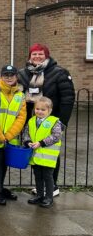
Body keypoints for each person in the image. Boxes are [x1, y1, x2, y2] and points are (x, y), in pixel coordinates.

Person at [17, 43, 75, 197]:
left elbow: (67, 99)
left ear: (47, 56)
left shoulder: (60, 73)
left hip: (52, 121)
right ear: (30, 56)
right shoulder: (23, 73)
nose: (37, 57)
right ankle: (41, 187)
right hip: (32, 123)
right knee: (37, 154)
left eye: (40, 54)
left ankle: (53, 186)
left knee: (50, 154)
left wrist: (62, 123)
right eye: (34, 54)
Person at [0, 65, 27, 206]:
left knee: (5, 162)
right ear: (1, 76)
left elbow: (21, 117)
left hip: (10, 137)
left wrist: (10, 135)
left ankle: (0, 188)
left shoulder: (20, 95)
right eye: (6, 74)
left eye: (11, 75)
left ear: (16, 77)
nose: (9, 77)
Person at [22, 96, 63, 209]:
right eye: (37, 109)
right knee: (38, 176)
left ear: (49, 110)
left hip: (48, 157)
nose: (39, 111)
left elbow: (56, 136)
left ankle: (49, 197)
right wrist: (28, 142)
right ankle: (39, 195)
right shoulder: (31, 121)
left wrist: (41, 143)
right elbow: (26, 133)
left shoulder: (54, 121)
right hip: (36, 156)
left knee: (48, 176)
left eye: (43, 110)